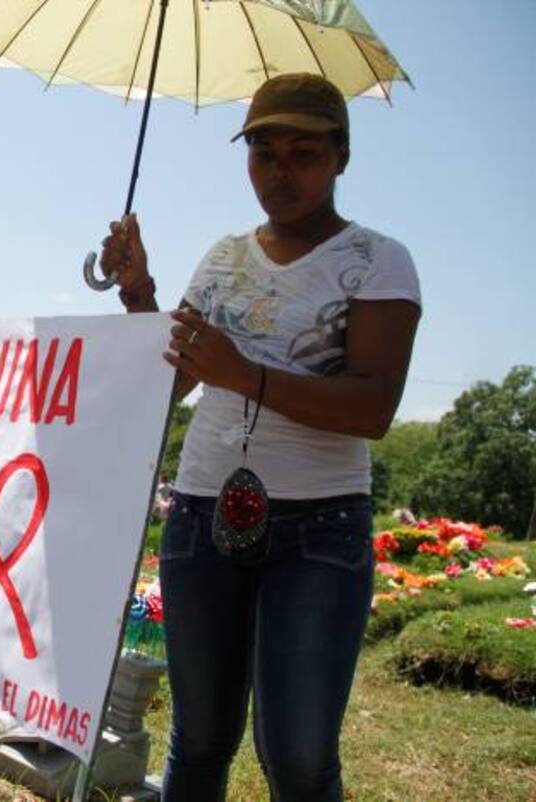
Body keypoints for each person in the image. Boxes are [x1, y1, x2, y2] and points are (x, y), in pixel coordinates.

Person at [100, 74, 421, 801]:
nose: (280, 172)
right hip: (199, 515)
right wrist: (140, 292)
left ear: (342, 156)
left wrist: (244, 374)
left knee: (298, 756)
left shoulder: (378, 261)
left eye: (303, 153)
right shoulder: (222, 258)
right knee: (200, 737)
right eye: (263, 152)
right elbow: (170, 382)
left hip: (318, 526)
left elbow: (373, 408)